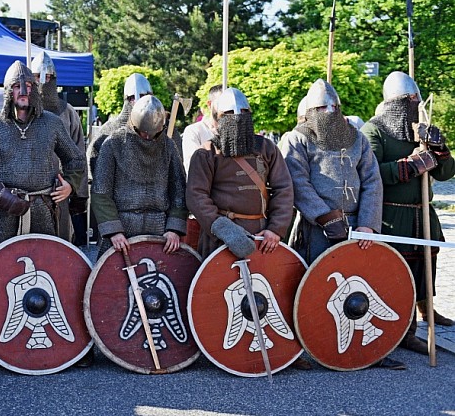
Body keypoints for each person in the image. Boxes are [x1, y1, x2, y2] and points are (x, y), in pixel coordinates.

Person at [279, 79, 404, 370]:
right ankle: (310, 347)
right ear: (311, 110)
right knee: (317, 289)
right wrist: (324, 216)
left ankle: (368, 349)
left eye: (333, 105)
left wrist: (368, 225)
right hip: (317, 229)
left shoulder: (357, 138)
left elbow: (372, 181)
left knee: (362, 288)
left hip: (358, 227)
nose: (330, 110)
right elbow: (296, 182)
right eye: (322, 106)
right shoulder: (297, 138)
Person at [361, 71, 455, 355]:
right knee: (398, 272)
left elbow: (446, 173)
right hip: (393, 215)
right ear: (394, 102)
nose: (415, 104)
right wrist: (412, 165)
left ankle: (427, 312)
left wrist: (439, 150)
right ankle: (405, 329)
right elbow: (370, 172)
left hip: (422, 212)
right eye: (409, 100)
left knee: (426, 267)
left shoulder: (423, 130)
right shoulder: (374, 130)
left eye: (417, 99)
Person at [0, 61, 86, 248]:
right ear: (8, 91)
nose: (23, 91)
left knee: (44, 265)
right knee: (4, 267)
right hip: (5, 213)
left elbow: (76, 158)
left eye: (28, 86)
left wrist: (70, 185)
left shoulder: (51, 123)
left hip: (43, 207)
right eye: (16, 87)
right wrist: (1, 196)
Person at [186, 87, 294, 260]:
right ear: (217, 118)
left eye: (243, 112)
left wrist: (275, 229)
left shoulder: (266, 148)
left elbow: (284, 189)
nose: (237, 117)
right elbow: (196, 196)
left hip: (262, 237)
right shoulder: (207, 153)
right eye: (229, 113)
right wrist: (224, 230)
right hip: (219, 240)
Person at [92, 94, 187, 256]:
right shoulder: (114, 143)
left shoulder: (168, 146)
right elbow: (101, 192)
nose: (148, 137)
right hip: (121, 230)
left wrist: (173, 228)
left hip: (160, 230)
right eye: (143, 133)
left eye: (153, 134)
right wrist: (113, 230)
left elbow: (179, 191)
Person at [30, 51, 89, 244]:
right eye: (38, 76)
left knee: (59, 249)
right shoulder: (21, 111)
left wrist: (76, 191)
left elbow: (78, 153)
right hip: (26, 195)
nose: (43, 82)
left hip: (58, 191)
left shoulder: (67, 112)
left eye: (47, 77)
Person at [88, 72, 153, 177]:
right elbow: (93, 170)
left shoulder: (163, 131)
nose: (139, 101)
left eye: (144, 96)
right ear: (127, 100)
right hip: (118, 191)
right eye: (133, 97)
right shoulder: (109, 130)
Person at [181, 84, 222, 177]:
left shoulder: (235, 132)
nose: (224, 109)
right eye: (220, 103)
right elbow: (194, 167)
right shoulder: (194, 131)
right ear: (209, 104)